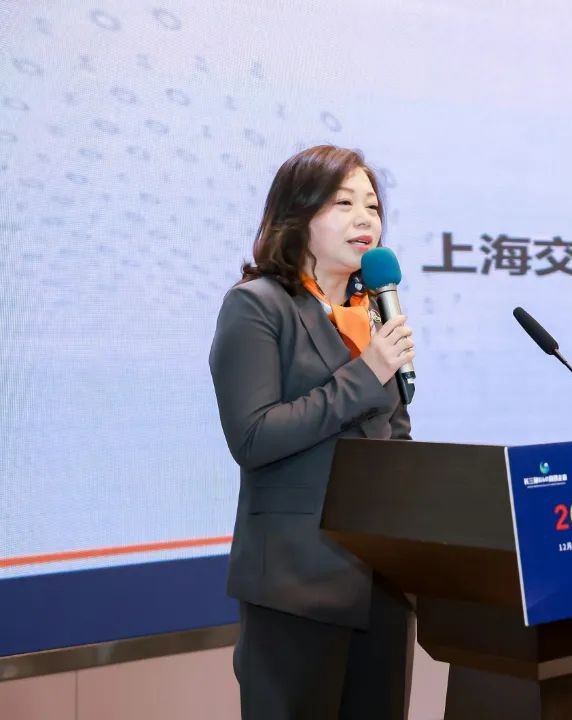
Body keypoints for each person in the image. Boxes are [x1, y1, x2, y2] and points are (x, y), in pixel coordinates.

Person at [209, 145, 416, 719]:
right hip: (296, 584)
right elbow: (253, 436)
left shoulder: (374, 311)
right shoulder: (257, 306)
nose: (364, 219)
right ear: (297, 215)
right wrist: (366, 373)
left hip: (382, 583)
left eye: (372, 206)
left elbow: (395, 436)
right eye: (343, 203)